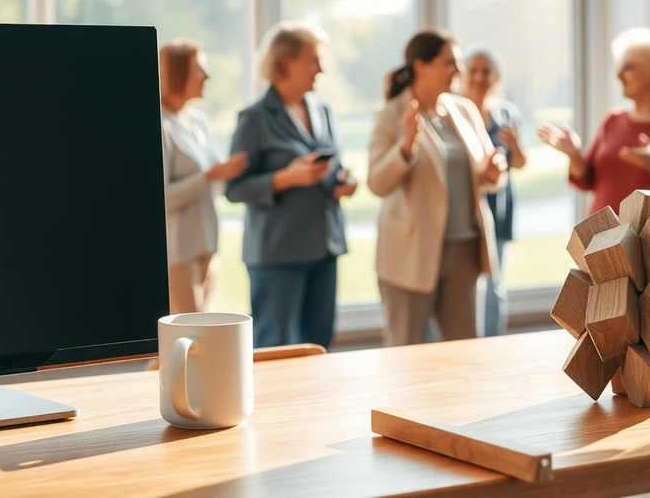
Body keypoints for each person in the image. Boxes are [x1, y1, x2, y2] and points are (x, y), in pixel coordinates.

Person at [368, 28, 507, 347]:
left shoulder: (464, 110)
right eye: (450, 63)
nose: (459, 71)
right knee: (407, 352)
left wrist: (491, 172)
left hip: (464, 251)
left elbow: (489, 176)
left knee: (464, 352)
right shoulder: (392, 113)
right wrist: (405, 147)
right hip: (409, 254)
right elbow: (377, 182)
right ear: (421, 66)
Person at [225, 22, 357, 349]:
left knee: (319, 345)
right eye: (314, 60)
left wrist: (344, 182)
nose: (321, 69)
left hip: (325, 248)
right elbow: (234, 188)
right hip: (278, 256)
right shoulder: (254, 118)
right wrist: (286, 178)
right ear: (285, 63)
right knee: (277, 347)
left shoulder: (323, 111)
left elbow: (333, 167)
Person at [538, 27, 650, 225]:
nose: (618, 75)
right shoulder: (613, 120)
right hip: (606, 242)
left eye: (628, 67)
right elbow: (587, 180)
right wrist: (574, 155)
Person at [158, 40, 247, 314]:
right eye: (200, 69)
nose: (206, 76)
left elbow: (217, 179)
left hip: (207, 246)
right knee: (187, 341)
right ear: (177, 73)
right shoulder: (160, 126)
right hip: (178, 254)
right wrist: (208, 177)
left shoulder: (198, 121)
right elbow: (160, 199)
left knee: (204, 339)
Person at [461, 48, 527, 337]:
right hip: (464, 208)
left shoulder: (507, 113)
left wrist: (514, 145)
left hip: (498, 207)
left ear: (496, 77)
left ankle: (492, 341)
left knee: (495, 283)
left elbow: (521, 162)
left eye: (485, 71)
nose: (478, 77)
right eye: (472, 70)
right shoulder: (454, 111)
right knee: (464, 285)